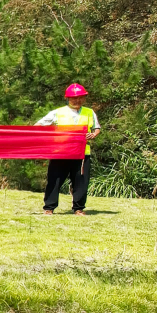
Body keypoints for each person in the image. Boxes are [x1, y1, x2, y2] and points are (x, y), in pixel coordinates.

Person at [35, 83, 100, 215]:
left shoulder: (89, 112)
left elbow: (97, 128)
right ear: (67, 98)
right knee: (55, 180)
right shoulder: (58, 112)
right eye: (74, 98)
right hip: (61, 152)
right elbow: (39, 124)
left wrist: (93, 134)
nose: (78, 100)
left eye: (81, 98)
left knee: (81, 181)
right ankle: (49, 208)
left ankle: (79, 208)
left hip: (82, 153)